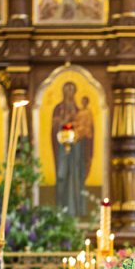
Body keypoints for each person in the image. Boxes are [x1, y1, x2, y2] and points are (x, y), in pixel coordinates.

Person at [52, 81, 91, 214]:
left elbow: (86, 129)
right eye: (67, 90)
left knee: (75, 175)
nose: (69, 94)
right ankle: (59, 209)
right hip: (62, 149)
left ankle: (76, 209)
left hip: (76, 149)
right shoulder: (58, 109)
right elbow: (54, 127)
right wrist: (63, 121)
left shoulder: (80, 111)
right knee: (62, 175)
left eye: (72, 91)